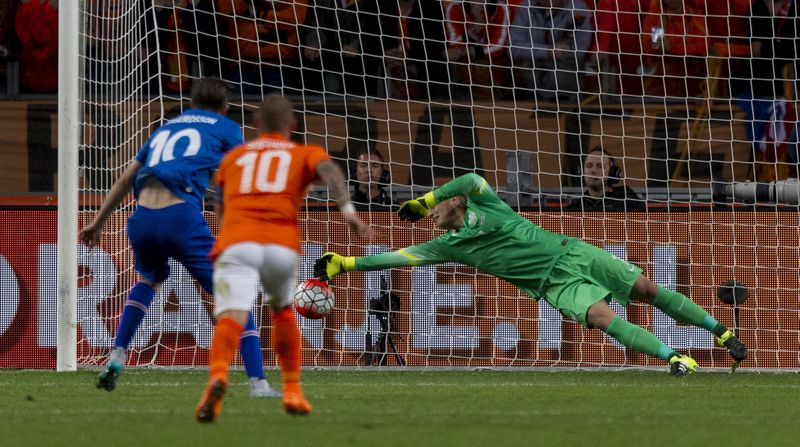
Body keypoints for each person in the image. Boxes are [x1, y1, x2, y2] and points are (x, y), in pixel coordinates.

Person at [314, 173, 748, 376]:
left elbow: (469, 177)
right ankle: (673, 358)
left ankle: (719, 330)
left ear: (455, 204)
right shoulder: (448, 245)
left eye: (435, 209)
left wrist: (426, 197)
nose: (429, 216)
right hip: (554, 284)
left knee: (646, 288)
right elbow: (398, 258)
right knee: (601, 318)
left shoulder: (485, 204)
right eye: (428, 211)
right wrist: (345, 264)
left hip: (573, 253)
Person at [79, 78, 279, 398]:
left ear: (191, 104)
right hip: (180, 218)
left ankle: (116, 357)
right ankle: (258, 383)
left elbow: (124, 180)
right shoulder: (227, 127)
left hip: (141, 219)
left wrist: (97, 223)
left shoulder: (165, 130)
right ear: (225, 107)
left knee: (149, 279)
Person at [195, 94, 371, 422]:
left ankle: (218, 375)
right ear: (292, 125)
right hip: (280, 242)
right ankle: (292, 389)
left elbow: (219, 204)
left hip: (237, 241)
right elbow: (330, 171)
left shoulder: (234, 157)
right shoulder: (303, 152)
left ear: (256, 125)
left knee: (232, 316)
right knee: (282, 311)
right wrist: (348, 211)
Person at [509, 0, 593, 101]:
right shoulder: (525, 7)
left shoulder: (579, 10)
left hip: (566, 88)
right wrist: (547, 51)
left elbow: (579, 52)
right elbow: (513, 48)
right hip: (530, 85)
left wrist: (549, 54)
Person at [567, 147, 645, 212]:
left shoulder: (628, 201)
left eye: (600, 166)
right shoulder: (576, 207)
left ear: (612, 173)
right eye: (589, 166)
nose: (593, 171)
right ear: (581, 171)